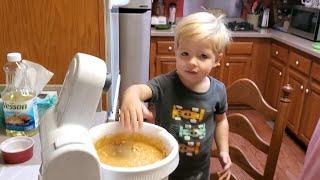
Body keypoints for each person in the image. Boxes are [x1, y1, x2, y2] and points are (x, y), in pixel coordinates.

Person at [120, 12, 232, 180]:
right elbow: (138, 90)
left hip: (198, 171)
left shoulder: (218, 91)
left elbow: (221, 120)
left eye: (203, 56)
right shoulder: (165, 84)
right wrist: (130, 96)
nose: (192, 62)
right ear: (176, 51)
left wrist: (224, 150)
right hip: (162, 167)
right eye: (185, 54)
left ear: (217, 59)